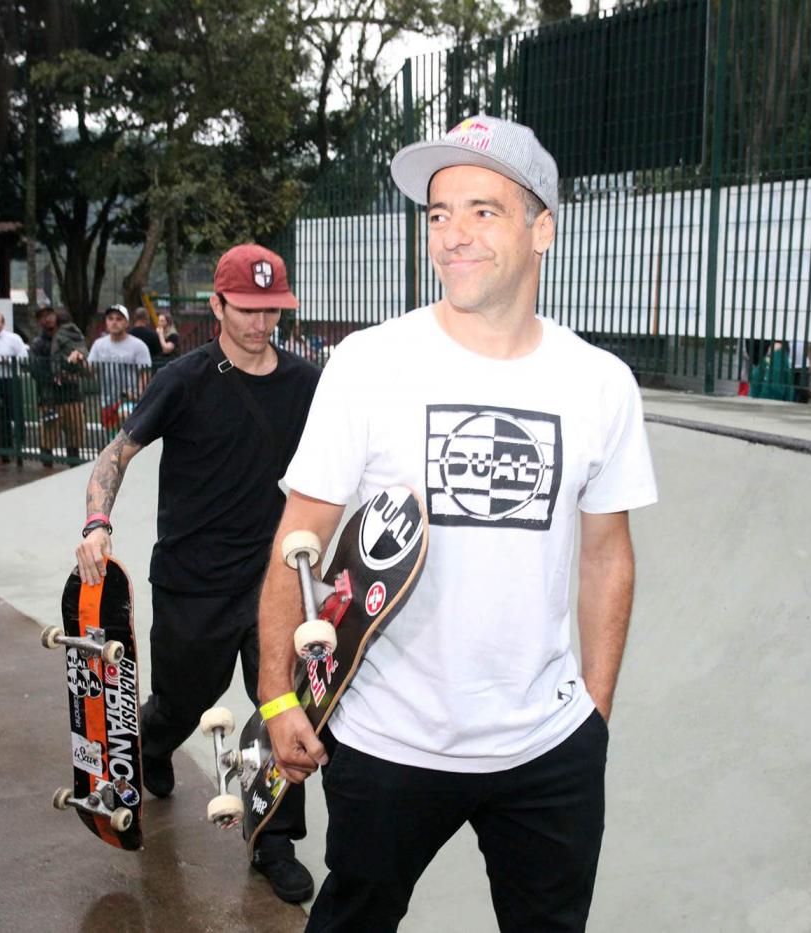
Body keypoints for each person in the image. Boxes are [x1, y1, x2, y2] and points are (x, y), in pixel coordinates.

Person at [257, 115, 656, 931]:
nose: (453, 235)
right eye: (438, 214)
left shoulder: (601, 382)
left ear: (541, 227)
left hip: (547, 748)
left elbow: (607, 557)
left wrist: (595, 716)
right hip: (386, 738)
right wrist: (274, 695)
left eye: (483, 210)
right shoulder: (369, 363)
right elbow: (297, 537)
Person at [73, 244, 320, 903]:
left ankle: (274, 837)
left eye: (272, 311)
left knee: (281, 702)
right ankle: (153, 742)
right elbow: (118, 453)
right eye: (246, 310)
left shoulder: (305, 383)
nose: (260, 324)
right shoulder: (183, 378)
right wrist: (97, 521)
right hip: (191, 579)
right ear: (215, 305)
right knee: (183, 699)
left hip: (272, 581)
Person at [29, 305, 88, 466]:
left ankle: (74, 468)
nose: (47, 318)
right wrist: (55, 376)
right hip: (50, 399)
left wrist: (74, 369)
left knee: (75, 438)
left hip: (72, 396)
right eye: (42, 316)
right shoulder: (38, 344)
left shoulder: (70, 337)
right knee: (48, 439)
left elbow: (83, 357)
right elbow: (35, 369)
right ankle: (46, 471)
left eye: (49, 314)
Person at [86, 304, 152, 435]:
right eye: (110, 319)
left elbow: (145, 373)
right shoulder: (99, 345)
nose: (114, 322)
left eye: (119, 319)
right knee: (111, 442)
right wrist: (79, 360)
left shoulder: (138, 346)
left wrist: (138, 395)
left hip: (130, 400)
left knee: (126, 435)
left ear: (127, 323)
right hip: (108, 401)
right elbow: (90, 370)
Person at [0, 309, 28, 461]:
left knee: (15, 412)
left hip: (11, 379)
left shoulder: (13, 338)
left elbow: (24, 357)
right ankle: (5, 447)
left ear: (3, 323)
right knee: (0, 415)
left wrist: (7, 361)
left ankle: (20, 444)